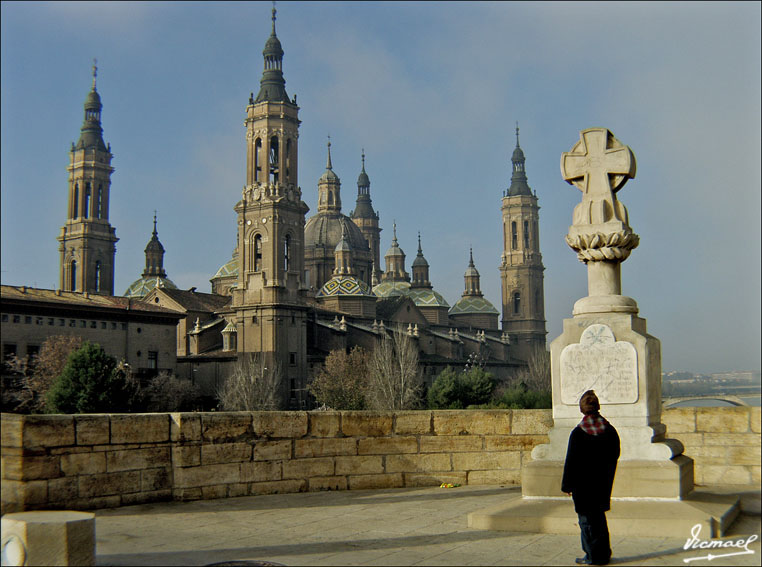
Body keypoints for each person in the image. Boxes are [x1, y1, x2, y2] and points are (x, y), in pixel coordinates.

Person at [562, 390, 620, 566]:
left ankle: (592, 555)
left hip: (583, 487)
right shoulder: (609, 430)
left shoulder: (578, 433)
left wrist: (567, 485)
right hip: (602, 483)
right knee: (600, 520)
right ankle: (604, 553)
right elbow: (615, 454)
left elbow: (571, 461)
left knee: (587, 522)